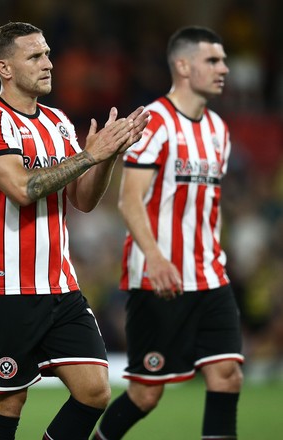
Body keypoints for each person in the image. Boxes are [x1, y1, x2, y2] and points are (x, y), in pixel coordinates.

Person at [0, 21, 149, 440]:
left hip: (59, 285)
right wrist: (88, 155)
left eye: (47, 53)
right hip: (5, 287)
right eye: (35, 56)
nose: (48, 63)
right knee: (8, 403)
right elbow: (21, 189)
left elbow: (82, 199)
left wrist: (106, 158)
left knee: (95, 392)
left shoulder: (58, 122)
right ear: (5, 68)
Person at [93, 26, 244, 440]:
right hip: (158, 277)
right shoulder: (153, 121)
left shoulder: (219, 130)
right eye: (213, 60)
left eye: (224, 60)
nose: (224, 69)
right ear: (182, 65)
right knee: (145, 394)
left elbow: (204, 206)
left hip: (211, 276)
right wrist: (157, 256)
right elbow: (129, 199)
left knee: (227, 375)